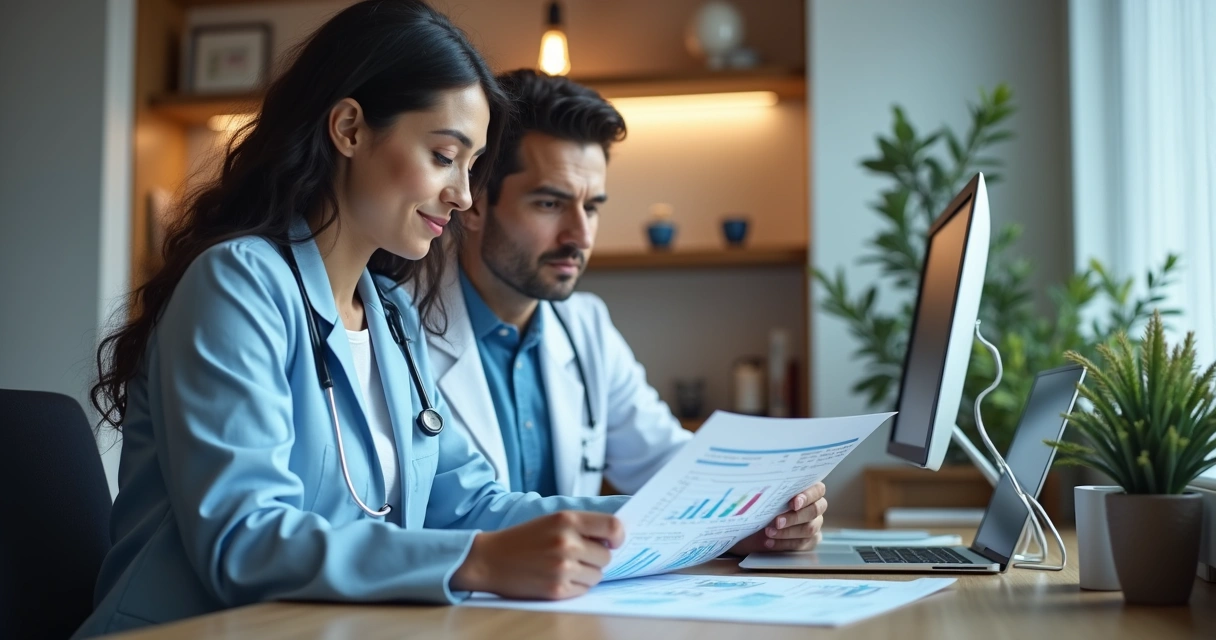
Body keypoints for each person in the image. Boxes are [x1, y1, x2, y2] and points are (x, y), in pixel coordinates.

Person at [77, 4, 628, 636]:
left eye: (472, 167)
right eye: (444, 155)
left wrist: (657, 523)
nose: (464, 195)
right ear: (348, 128)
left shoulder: (390, 313)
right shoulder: (238, 283)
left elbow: (467, 503)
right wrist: (477, 560)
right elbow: (244, 541)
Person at [425, 69, 828, 556]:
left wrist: (771, 508)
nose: (580, 235)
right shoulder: (401, 325)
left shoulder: (585, 325)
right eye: (550, 203)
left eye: (591, 207)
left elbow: (675, 466)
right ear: (474, 203)